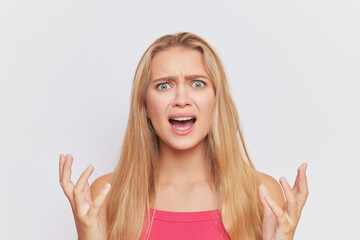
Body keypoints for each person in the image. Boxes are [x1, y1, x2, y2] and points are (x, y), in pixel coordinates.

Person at [59, 32, 309, 240]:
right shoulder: (107, 194)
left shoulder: (260, 194)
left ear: (216, 100)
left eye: (197, 83)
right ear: (145, 105)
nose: (181, 100)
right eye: (164, 85)